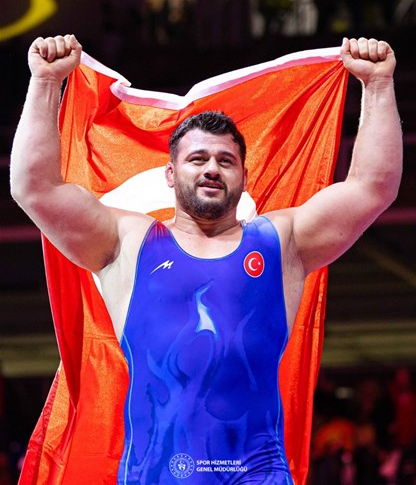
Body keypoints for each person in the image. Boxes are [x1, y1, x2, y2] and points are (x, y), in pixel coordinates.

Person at [10, 34, 402, 483]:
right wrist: (45, 83)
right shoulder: (126, 244)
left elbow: (373, 187)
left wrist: (377, 85)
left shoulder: (282, 244)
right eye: (197, 159)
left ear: (244, 176)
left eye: (225, 161)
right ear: (170, 174)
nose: (212, 168)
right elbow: (35, 188)